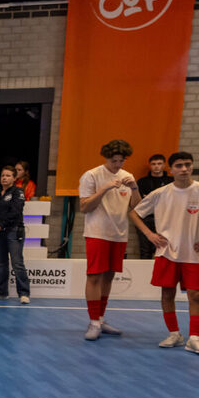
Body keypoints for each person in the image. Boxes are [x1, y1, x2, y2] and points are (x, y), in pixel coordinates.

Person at [128, 152, 199, 355]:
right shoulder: (160, 193)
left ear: (192, 166)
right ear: (171, 169)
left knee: (195, 295)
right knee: (167, 294)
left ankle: (194, 337)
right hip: (166, 252)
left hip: (193, 254)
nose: (184, 169)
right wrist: (149, 234)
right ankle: (174, 334)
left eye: (188, 164)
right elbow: (134, 213)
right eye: (179, 165)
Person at [78, 139, 139, 340]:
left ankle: (101, 319)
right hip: (97, 232)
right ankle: (93, 322)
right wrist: (104, 189)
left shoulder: (128, 176)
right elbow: (84, 207)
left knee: (109, 277)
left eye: (121, 161)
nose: (118, 165)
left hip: (119, 234)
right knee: (94, 277)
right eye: (114, 161)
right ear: (106, 158)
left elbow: (137, 207)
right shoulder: (92, 175)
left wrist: (135, 188)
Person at [0, 165, 30, 302]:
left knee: (17, 263)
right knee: (1, 264)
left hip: (14, 231)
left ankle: (24, 293)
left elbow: (15, 212)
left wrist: (1, 225)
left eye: (8, 175)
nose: (4, 178)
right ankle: (1, 292)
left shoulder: (18, 192)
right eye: (2, 175)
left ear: (14, 178)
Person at [134, 154, 176, 259]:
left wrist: (150, 199)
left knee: (165, 248)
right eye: (153, 164)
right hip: (146, 218)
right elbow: (140, 203)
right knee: (145, 250)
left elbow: (173, 201)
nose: (156, 166)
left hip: (166, 219)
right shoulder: (142, 182)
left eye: (159, 164)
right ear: (150, 166)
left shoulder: (171, 181)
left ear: (164, 165)